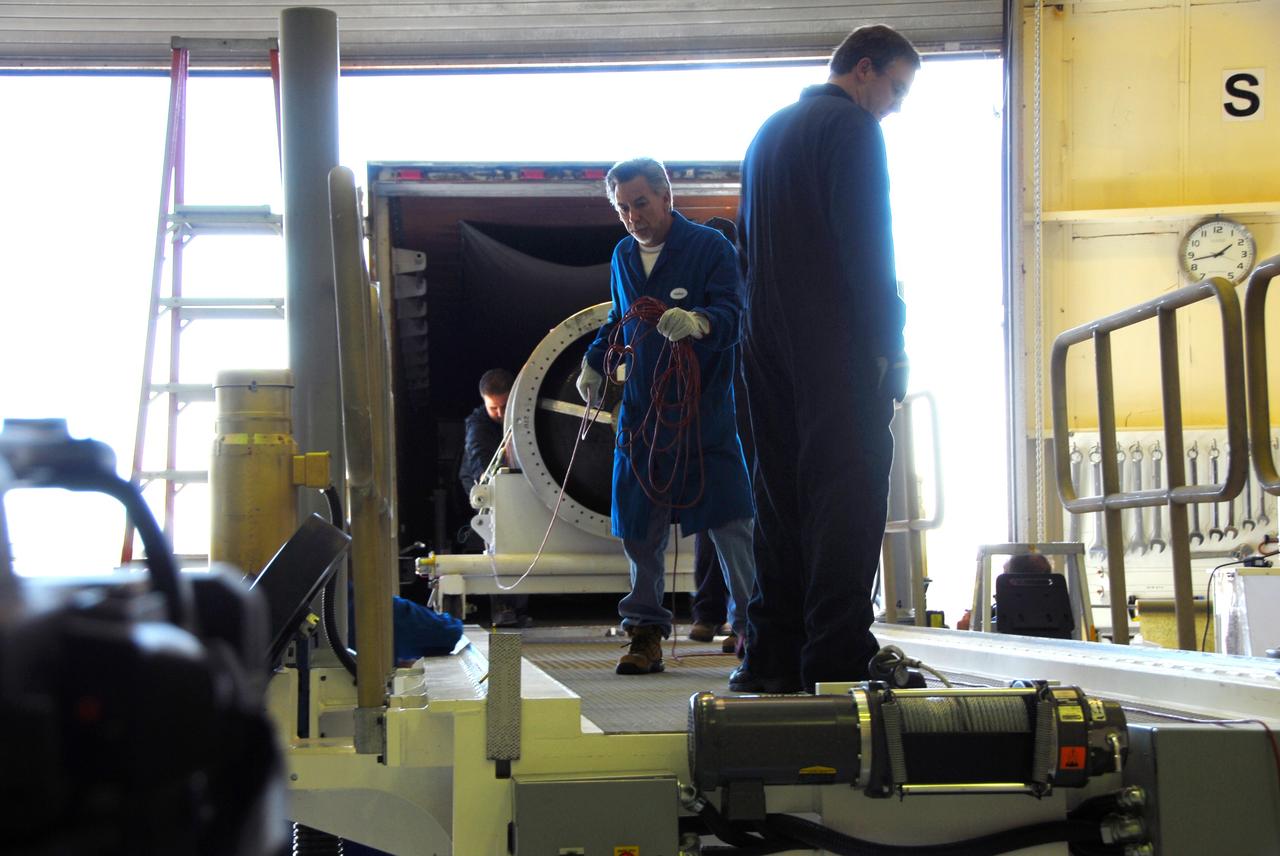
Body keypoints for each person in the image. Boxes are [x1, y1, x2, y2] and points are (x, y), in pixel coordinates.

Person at [733, 25, 919, 694]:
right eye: (896, 88)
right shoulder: (851, 129)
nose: (894, 105)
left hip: (764, 345)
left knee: (780, 500)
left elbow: (745, 249)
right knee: (848, 494)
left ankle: (771, 659)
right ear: (864, 69)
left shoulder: (768, 133)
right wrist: (890, 343)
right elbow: (869, 245)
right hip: (833, 345)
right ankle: (837, 655)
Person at [576, 157, 757, 676]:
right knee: (640, 525)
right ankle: (644, 633)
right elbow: (621, 317)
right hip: (642, 414)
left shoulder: (710, 248)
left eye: (640, 204)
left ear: (666, 197)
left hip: (703, 413)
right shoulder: (623, 255)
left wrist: (700, 321)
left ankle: (753, 627)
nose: (633, 217)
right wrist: (594, 360)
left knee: (730, 522)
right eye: (622, 208)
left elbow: (735, 314)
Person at [458, 368, 531, 628]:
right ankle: (502, 607)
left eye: (504, 406)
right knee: (496, 536)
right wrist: (488, 481)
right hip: (482, 483)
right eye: (493, 408)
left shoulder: (525, 416)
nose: (499, 414)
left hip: (517, 482)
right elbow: (477, 452)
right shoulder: (477, 424)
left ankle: (519, 606)